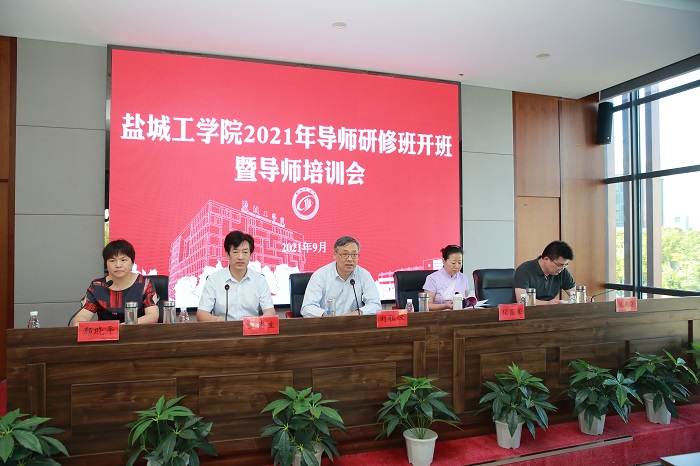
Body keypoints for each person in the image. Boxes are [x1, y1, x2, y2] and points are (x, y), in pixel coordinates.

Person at [71, 239, 159, 325]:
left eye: (123, 260)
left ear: (132, 262)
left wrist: (124, 326)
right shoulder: (98, 286)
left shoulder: (144, 284)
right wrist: (79, 323)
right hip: (106, 333)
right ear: (106, 264)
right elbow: (82, 316)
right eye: (112, 261)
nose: (118, 265)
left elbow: (152, 316)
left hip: (136, 332)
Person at [196, 230, 275, 321]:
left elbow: (269, 310)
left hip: (252, 328)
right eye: (235, 252)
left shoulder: (259, 279)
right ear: (227, 255)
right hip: (224, 328)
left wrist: (265, 318)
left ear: (251, 255)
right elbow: (201, 314)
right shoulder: (214, 279)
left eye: (245, 252)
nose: (240, 257)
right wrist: (215, 320)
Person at [301, 236, 381, 317]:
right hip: (327, 322)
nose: (350, 259)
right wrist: (327, 314)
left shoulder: (364, 275)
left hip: (354, 322)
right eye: (345, 254)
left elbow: (375, 305)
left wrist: (357, 313)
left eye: (354, 254)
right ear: (334, 255)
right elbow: (307, 308)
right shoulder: (320, 276)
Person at [514, 240, 577, 305]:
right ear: (546, 259)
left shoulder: (562, 271)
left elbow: (575, 295)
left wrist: (582, 299)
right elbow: (522, 300)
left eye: (565, 265)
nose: (562, 268)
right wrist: (548, 304)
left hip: (550, 310)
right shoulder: (524, 270)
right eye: (559, 265)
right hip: (528, 310)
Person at [423, 245, 470, 311]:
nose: (457, 266)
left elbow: (467, 300)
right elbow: (426, 305)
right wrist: (445, 306)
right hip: (439, 315)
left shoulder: (463, 277)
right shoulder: (432, 278)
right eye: (453, 263)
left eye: (460, 262)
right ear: (443, 261)